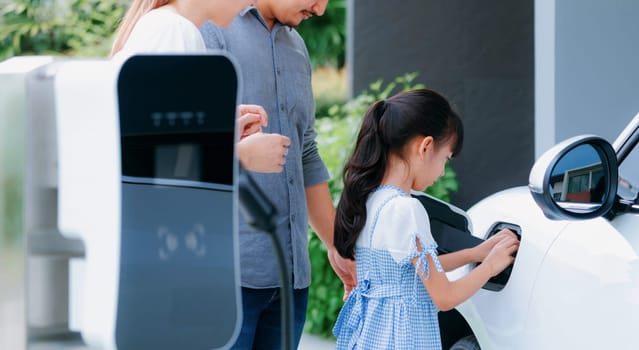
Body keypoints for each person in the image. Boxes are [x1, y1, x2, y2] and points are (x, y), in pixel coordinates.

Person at [199, 1, 357, 348]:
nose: (319, 9)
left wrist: (337, 246)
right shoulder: (210, 29)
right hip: (228, 281)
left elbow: (306, 153)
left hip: (290, 284)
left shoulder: (296, 47)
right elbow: (189, 144)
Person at [332, 89, 520, 349]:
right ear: (425, 146)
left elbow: (411, 272)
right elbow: (444, 296)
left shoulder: (370, 200)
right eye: (446, 159)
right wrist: (491, 266)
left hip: (371, 339)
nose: (443, 172)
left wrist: (476, 253)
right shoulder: (407, 210)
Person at [110, 0, 291, 173]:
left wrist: (215, 127)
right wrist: (242, 157)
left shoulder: (172, 28)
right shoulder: (175, 31)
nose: (253, 3)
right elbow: (152, 160)